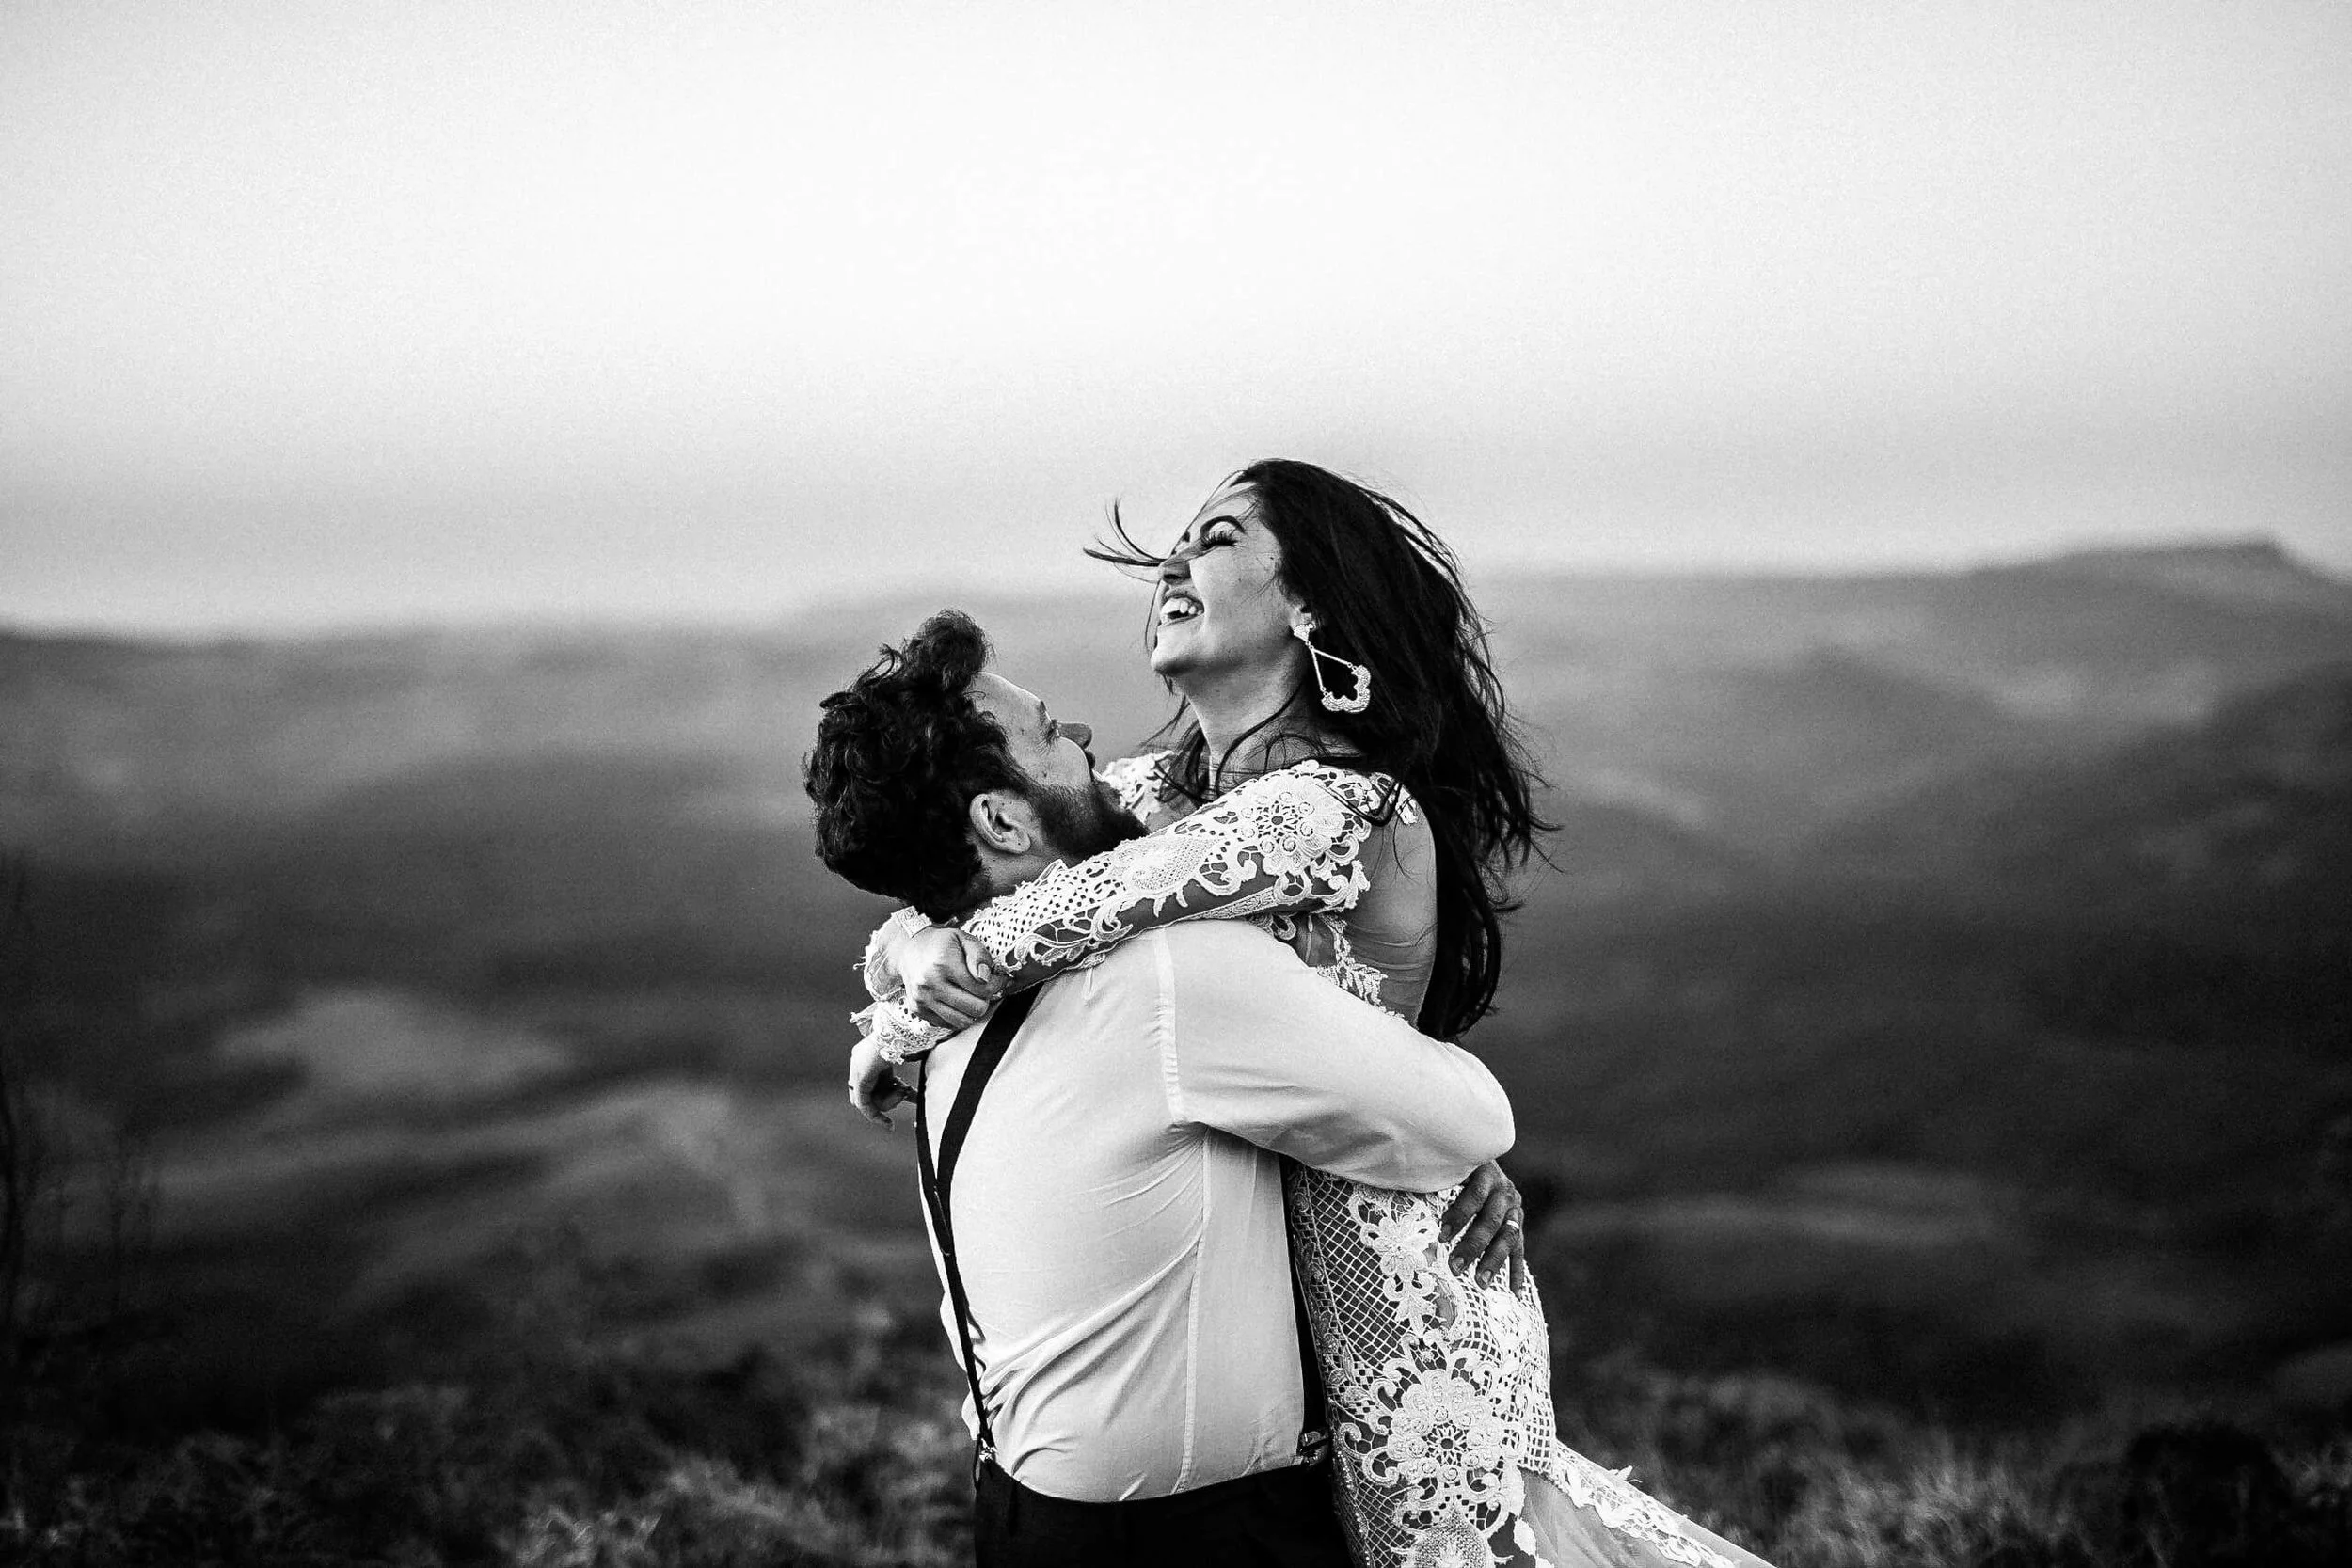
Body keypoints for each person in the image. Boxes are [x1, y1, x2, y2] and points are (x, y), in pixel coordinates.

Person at [838, 461, 1774, 1568]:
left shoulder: (1332, 803)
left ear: (1309, 605)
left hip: (1405, 1309)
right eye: (1178, 541)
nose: (1175, 562)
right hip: (1283, 1327)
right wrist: (913, 941)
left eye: (1219, 538)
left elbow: (1063, 903)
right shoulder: (1161, 795)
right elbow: (1003, 855)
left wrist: (925, 983)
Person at [803, 612, 1519, 1566]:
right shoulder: (1170, 977)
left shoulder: (937, 987)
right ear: (1004, 820)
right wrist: (1435, 1141)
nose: (1087, 739)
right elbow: (1472, 1117)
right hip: (1195, 1538)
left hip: (1015, 1513)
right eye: (1050, 731)